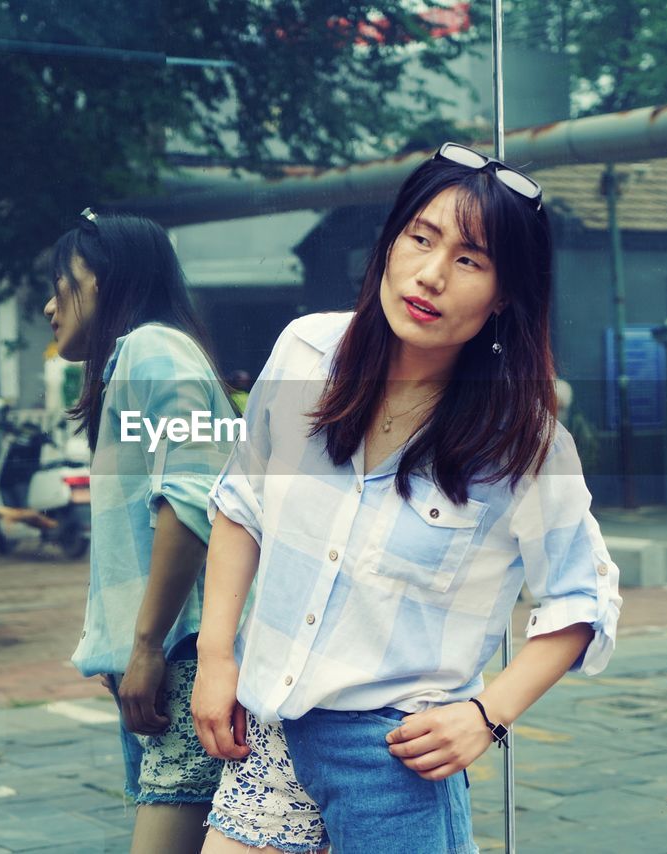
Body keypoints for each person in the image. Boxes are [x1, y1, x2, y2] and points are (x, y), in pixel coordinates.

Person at [191, 143, 623, 854]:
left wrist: (489, 714)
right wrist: (215, 658)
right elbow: (242, 502)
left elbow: (583, 599)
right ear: (390, 241)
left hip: (395, 757)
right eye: (420, 239)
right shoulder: (306, 353)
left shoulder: (525, 443)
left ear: (504, 294)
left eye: (470, 260)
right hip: (266, 739)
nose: (430, 275)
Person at [43, 209, 237, 853]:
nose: (49, 305)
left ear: (100, 279)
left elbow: (187, 504)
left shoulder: (154, 351)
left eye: (60, 283)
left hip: (182, 658)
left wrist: (148, 646)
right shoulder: (140, 359)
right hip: (173, 657)